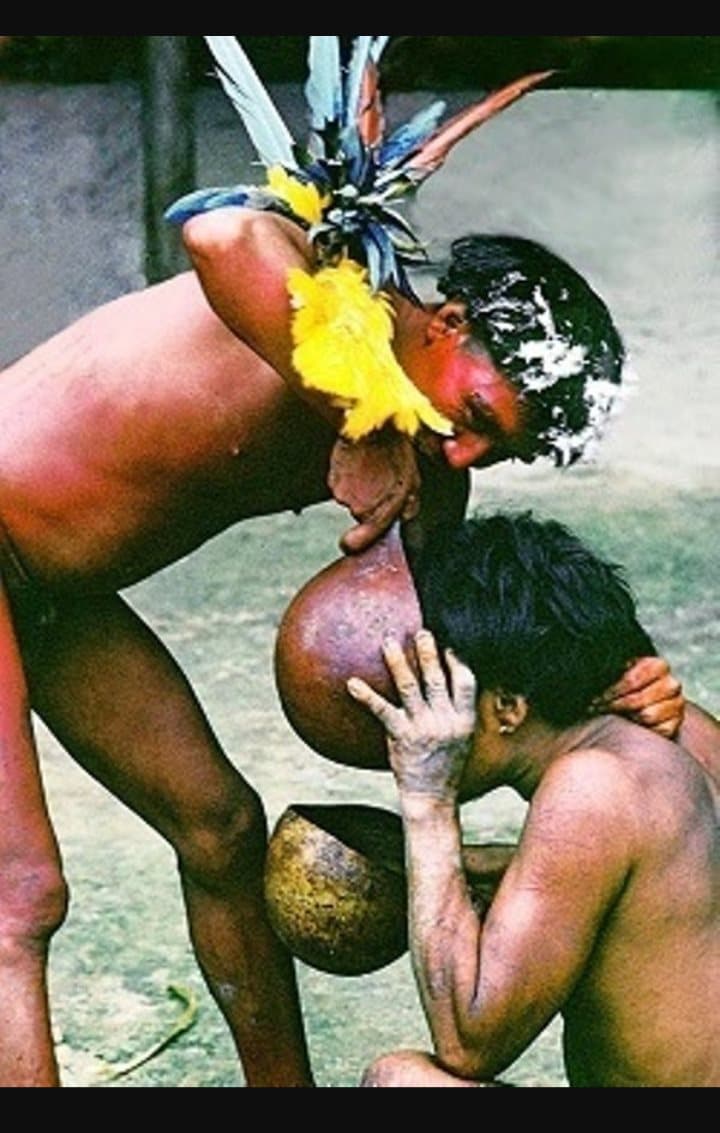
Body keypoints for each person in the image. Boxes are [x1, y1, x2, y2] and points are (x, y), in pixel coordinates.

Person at [0, 41, 685, 1085]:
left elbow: (492, 657)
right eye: (475, 415)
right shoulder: (333, 299)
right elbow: (217, 224)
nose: (463, 450)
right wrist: (352, 397)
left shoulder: (429, 466)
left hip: (51, 590)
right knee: (21, 892)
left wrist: (622, 680)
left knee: (225, 832)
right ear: (448, 321)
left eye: (497, 447)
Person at [348, 513, 719, 1088]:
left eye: (435, 689)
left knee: (401, 1084)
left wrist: (427, 799)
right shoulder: (687, 733)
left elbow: (471, 1041)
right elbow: (632, 891)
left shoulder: (593, 788)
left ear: (508, 707)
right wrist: (472, 865)